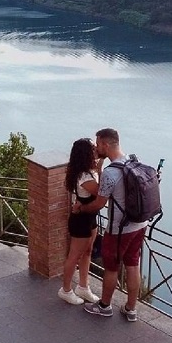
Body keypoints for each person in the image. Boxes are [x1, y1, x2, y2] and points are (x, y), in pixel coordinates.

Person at [82, 127, 145, 322]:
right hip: (140, 224)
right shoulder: (132, 161)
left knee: (111, 267)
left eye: (98, 143)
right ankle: (130, 309)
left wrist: (81, 209)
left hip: (119, 229)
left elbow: (100, 202)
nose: (96, 147)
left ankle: (104, 306)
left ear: (106, 144)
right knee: (133, 264)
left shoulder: (111, 172)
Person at [58, 138, 102, 305]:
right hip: (80, 220)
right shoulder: (85, 177)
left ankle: (83, 287)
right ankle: (66, 290)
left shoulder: (89, 171)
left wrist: (101, 161)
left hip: (90, 217)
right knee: (74, 256)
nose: (95, 149)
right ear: (85, 154)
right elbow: (102, 192)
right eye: (92, 148)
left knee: (88, 251)